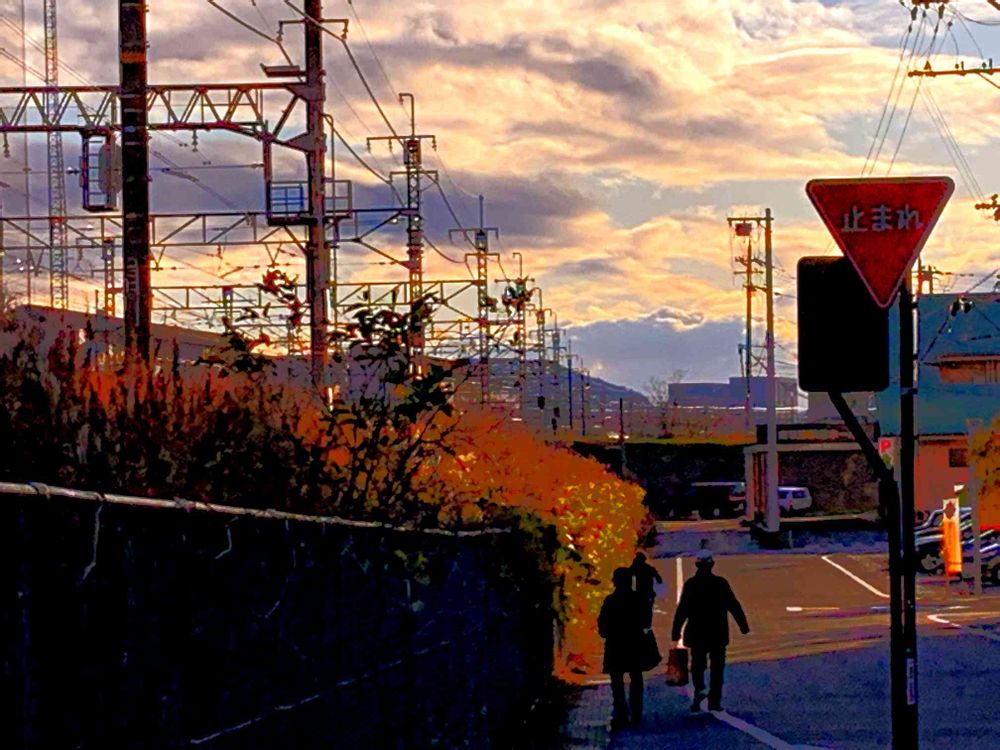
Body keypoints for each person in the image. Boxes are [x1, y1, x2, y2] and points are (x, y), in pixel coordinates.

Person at [670, 549, 749, 713]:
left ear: (696, 564)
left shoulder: (691, 584)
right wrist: (743, 625)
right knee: (717, 668)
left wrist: (676, 631)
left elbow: (682, 609)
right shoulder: (720, 583)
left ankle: (699, 688)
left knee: (697, 665)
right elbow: (733, 604)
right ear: (712, 564)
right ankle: (715, 701)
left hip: (697, 632)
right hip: (717, 632)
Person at [598, 567, 650, 729]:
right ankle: (636, 710)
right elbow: (646, 620)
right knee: (636, 676)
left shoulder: (610, 601)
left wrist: (609, 632)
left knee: (616, 679)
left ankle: (621, 710)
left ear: (615, 582)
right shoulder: (639, 599)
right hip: (634, 643)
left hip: (616, 644)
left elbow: (602, 625)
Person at [630, 551, 663, 616]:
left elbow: (632, 583)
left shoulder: (633, 569)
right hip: (645, 593)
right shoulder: (648, 568)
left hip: (639, 594)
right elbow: (659, 580)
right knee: (647, 611)